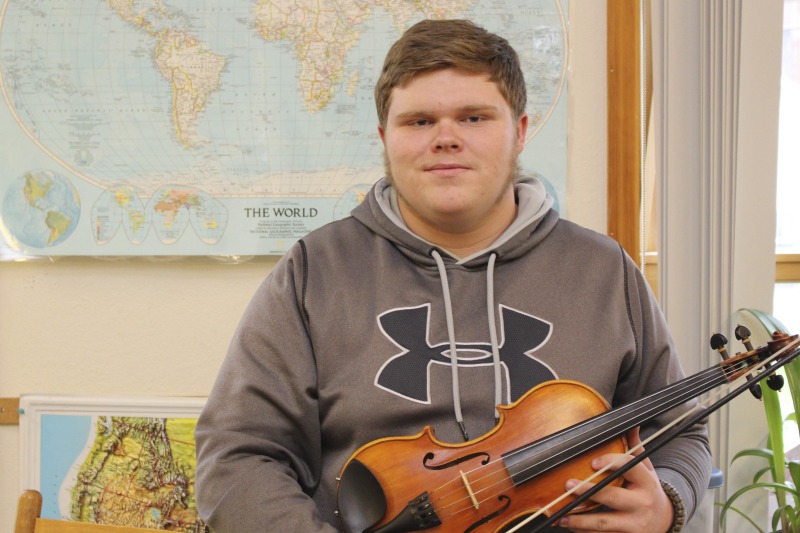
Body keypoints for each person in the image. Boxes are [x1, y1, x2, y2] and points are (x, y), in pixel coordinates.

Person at [195, 18, 711, 532]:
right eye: (419, 121)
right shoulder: (313, 271)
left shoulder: (604, 270)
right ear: (384, 138)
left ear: (521, 132)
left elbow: (681, 433)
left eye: (474, 118)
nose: (446, 138)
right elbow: (238, 457)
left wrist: (666, 502)